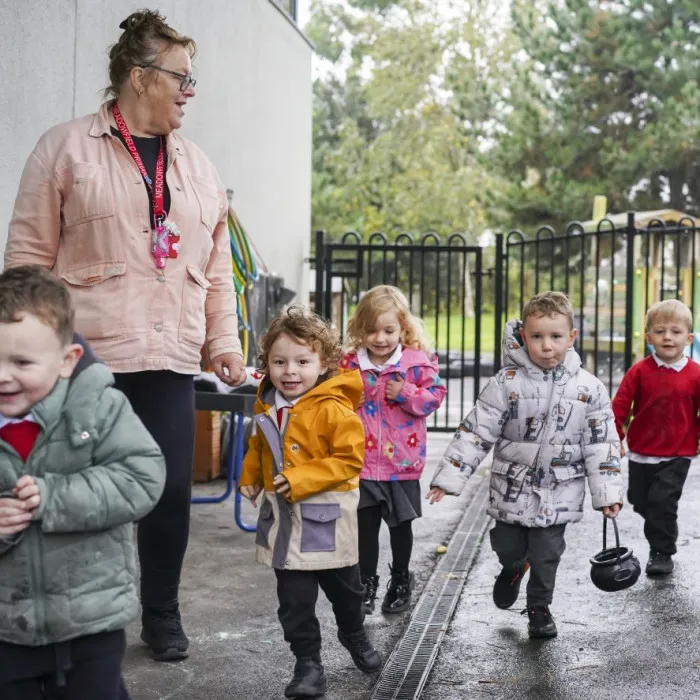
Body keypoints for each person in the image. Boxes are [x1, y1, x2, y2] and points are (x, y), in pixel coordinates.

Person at [5, 10, 245, 661]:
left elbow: (216, 270)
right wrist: (27, 357)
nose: (190, 92)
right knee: (70, 489)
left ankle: (160, 612)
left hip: (165, 358)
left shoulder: (198, 166)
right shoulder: (65, 149)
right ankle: (63, 614)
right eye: (181, 79)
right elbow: (27, 263)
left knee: (167, 489)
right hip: (81, 361)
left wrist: (222, 344)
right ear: (140, 76)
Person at [0, 265, 166, 699]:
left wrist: (53, 497)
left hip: (91, 620)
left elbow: (141, 476)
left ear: (68, 360)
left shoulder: (98, 406)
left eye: (21, 362)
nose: (3, 376)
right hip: (6, 629)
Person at [429, 291, 624, 639]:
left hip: (561, 489)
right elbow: (476, 432)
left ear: (571, 338)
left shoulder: (589, 388)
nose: (546, 346)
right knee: (507, 545)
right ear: (524, 337)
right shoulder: (506, 383)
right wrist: (449, 478)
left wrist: (607, 493)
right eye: (537, 337)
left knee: (548, 553)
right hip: (512, 488)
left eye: (555, 337)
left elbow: (602, 443)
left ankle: (539, 607)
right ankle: (513, 568)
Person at [239, 307, 382, 699]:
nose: (290, 371)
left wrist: (300, 479)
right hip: (285, 521)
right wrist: (251, 477)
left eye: (302, 361)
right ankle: (308, 665)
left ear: (324, 364)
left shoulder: (335, 408)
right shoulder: (267, 404)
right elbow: (258, 445)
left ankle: (353, 633)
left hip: (327, 519)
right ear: (266, 362)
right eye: (279, 361)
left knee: (346, 593)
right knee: (294, 602)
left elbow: (349, 460)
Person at [338, 286, 446, 614]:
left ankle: (400, 578)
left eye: (389, 330)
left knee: (400, 527)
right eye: (371, 330)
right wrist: (347, 398)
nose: (380, 338)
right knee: (366, 528)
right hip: (363, 463)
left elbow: (435, 396)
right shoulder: (349, 364)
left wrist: (406, 391)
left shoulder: (415, 362)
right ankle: (366, 582)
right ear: (359, 329)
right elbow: (331, 401)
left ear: (403, 328)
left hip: (402, 463)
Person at [612, 299, 700, 576]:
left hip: (678, 452)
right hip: (641, 451)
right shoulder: (639, 371)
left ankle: (662, 552)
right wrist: (616, 437)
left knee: (662, 502)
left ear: (689, 337)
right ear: (649, 337)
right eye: (660, 331)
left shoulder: (696, 374)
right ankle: (659, 526)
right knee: (640, 500)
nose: (668, 337)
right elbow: (620, 406)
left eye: (675, 331)